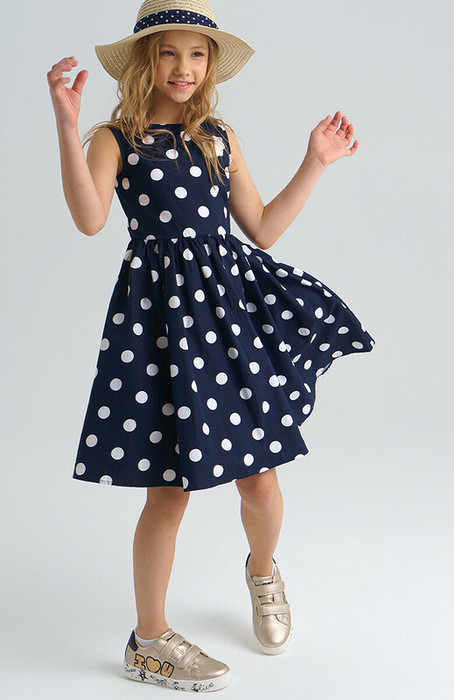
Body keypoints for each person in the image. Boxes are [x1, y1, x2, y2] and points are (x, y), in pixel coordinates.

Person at [47, 0, 375, 692]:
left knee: (261, 475)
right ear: (145, 61)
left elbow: (263, 228)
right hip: (159, 327)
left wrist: (314, 162)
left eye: (197, 54)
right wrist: (68, 125)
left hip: (227, 320)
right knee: (168, 490)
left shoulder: (218, 137)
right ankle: (148, 640)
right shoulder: (116, 138)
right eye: (169, 52)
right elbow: (89, 219)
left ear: (211, 64)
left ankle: (262, 572)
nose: (184, 67)